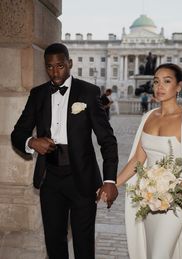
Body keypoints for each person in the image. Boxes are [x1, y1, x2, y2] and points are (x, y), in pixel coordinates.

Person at [11, 43, 118, 259]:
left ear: (69, 63)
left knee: (83, 243)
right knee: (54, 241)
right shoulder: (38, 94)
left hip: (83, 178)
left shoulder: (88, 92)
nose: (54, 72)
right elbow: (18, 133)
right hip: (50, 179)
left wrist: (110, 180)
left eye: (60, 66)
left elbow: (107, 140)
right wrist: (32, 142)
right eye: (49, 67)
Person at [115, 63, 182, 259]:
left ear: (179, 86)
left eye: (167, 81)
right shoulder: (147, 117)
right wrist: (111, 184)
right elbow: (138, 160)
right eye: (156, 82)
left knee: (159, 255)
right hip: (148, 202)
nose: (159, 87)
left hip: (175, 204)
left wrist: (168, 194)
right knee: (152, 251)